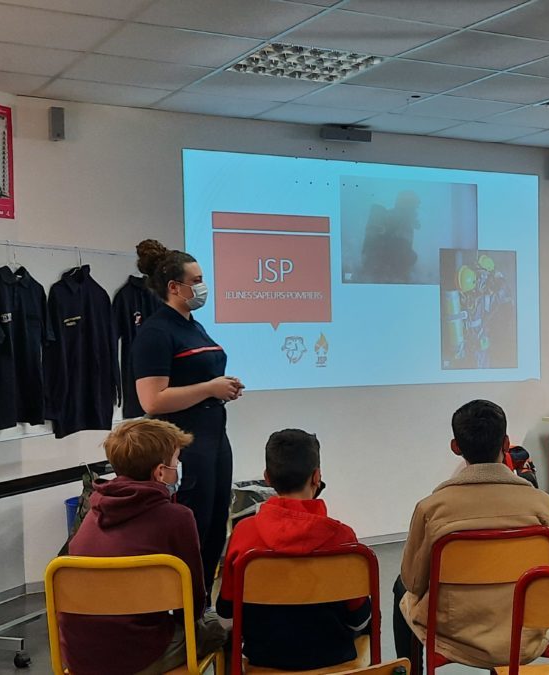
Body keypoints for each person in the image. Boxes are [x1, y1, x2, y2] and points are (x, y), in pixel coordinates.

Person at [394, 400, 549, 669]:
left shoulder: (431, 509)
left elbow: (414, 582)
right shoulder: (544, 505)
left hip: (455, 633)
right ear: (506, 443)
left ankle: (409, 669)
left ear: (456, 447)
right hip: (524, 631)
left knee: (400, 586)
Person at [60, 419, 227, 675]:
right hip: (140, 655)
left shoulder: (91, 513)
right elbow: (192, 606)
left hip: (80, 656)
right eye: (176, 462)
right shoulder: (177, 517)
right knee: (218, 628)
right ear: (160, 472)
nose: (178, 468)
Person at [133, 239, 244, 603]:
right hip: (184, 446)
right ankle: (184, 611)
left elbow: (199, 376)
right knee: (192, 527)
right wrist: (210, 387)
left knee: (214, 528)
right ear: (173, 287)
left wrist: (222, 387)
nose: (202, 286)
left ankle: (202, 607)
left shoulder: (192, 325)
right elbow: (152, 400)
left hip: (214, 439)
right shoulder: (155, 332)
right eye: (196, 280)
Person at [216, 429, 370, 671]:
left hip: (263, 660)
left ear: (267, 477)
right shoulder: (344, 539)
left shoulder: (244, 535)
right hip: (335, 659)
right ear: (317, 476)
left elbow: (226, 618)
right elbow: (359, 621)